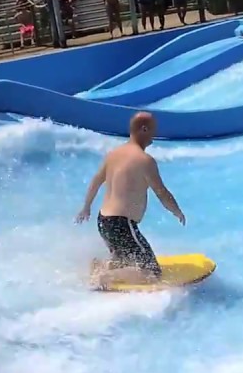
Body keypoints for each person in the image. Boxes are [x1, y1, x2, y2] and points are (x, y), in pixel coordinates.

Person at [76, 111, 186, 288]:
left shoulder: (114, 154)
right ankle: (105, 276)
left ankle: (102, 266)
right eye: (152, 130)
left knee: (126, 260)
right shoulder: (144, 160)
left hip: (103, 221)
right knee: (151, 273)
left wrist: (86, 207)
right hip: (122, 224)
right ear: (143, 129)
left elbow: (96, 181)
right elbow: (161, 192)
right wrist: (177, 211)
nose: (154, 136)